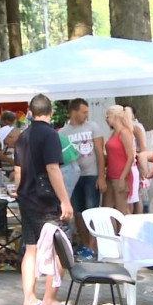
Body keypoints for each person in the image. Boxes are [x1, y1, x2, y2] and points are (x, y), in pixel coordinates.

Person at [13, 93, 75, 305]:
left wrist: (19, 190)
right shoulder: (51, 135)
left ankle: (29, 299)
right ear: (50, 112)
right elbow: (52, 169)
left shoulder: (23, 136)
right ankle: (50, 300)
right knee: (60, 248)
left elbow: (18, 171)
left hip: (26, 198)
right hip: (46, 202)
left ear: (30, 112)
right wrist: (65, 200)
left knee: (31, 248)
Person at [59, 98, 105, 261]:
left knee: (92, 211)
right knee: (78, 212)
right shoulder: (62, 132)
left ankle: (92, 247)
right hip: (74, 177)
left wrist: (101, 176)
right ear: (74, 111)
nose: (86, 115)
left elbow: (100, 152)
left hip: (91, 174)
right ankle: (85, 245)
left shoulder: (93, 127)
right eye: (83, 112)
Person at [103, 105, 136, 216]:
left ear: (115, 116)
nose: (106, 119)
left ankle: (124, 232)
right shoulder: (113, 134)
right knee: (107, 209)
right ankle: (111, 231)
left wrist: (123, 178)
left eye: (108, 116)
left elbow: (131, 156)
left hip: (121, 175)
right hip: (110, 175)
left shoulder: (124, 132)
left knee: (121, 210)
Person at [0, 111, 17, 235]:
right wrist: (12, 161)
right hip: (3, 169)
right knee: (0, 199)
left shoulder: (8, 132)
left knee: (4, 199)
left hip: (11, 170)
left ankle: (0, 226)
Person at [128, 106, 146, 214]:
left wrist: (141, 164)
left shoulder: (135, 127)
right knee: (134, 195)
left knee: (136, 195)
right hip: (134, 160)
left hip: (136, 162)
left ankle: (138, 216)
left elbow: (143, 147)